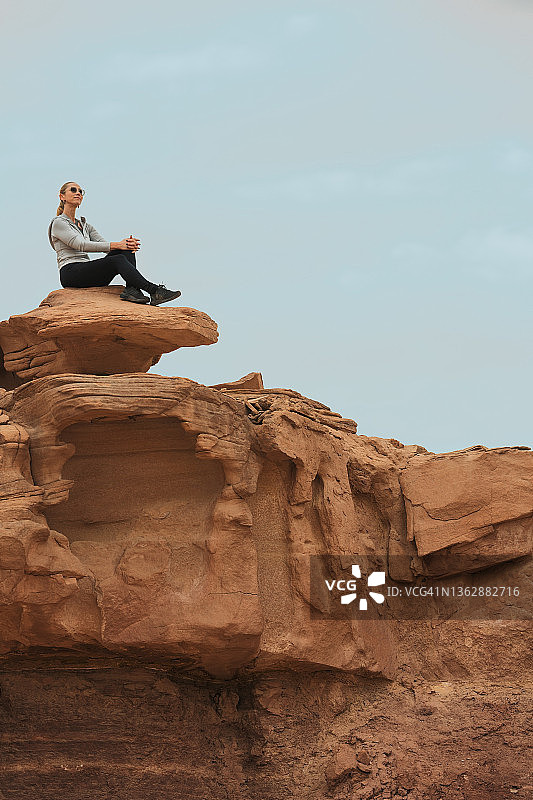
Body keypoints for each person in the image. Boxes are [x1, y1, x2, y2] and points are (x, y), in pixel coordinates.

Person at [48, 181, 182, 305]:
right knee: (117, 257)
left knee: (125, 250)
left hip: (87, 272)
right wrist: (118, 245)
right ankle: (154, 291)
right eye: (73, 190)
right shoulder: (59, 222)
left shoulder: (85, 225)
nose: (78, 193)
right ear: (62, 196)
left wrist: (126, 245)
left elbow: (105, 246)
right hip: (71, 273)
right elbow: (80, 245)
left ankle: (132, 290)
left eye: (80, 191)